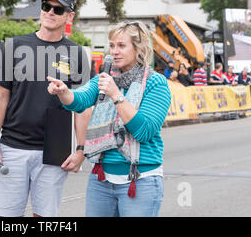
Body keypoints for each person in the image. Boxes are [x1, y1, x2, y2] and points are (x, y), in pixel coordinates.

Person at [0, 0, 91, 217]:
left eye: (58, 9)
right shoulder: (13, 46)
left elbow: (83, 107)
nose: (50, 12)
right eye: (46, 6)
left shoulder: (77, 54)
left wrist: (81, 149)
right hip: (13, 146)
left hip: (55, 151)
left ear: (69, 16)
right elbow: (0, 98)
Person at [47, 21, 171, 217]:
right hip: (102, 180)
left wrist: (116, 95)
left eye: (121, 46)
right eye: (112, 45)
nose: (114, 51)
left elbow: (144, 130)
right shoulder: (105, 78)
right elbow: (79, 100)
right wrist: (63, 92)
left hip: (140, 180)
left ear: (138, 49)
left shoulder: (156, 83)